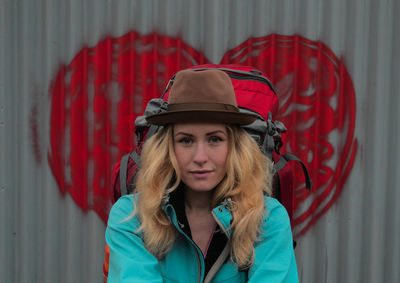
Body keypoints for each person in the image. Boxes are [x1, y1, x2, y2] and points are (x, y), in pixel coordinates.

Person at [105, 69, 299, 282]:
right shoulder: (131, 216)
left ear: (234, 147)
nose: (200, 157)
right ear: (168, 148)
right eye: (186, 140)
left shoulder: (267, 218)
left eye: (214, 139)